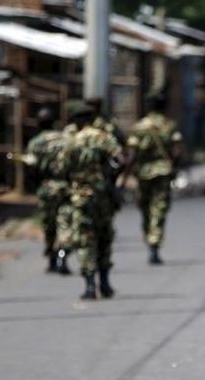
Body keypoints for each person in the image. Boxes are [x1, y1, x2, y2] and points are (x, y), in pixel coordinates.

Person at [59, 104, 123, 299]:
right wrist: (109, 180)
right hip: (102, 196)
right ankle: (105, 283)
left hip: (81, 197)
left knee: (85, 239)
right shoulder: (103, 137)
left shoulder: (72, 142)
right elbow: (120, 159)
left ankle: (89, 286)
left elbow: (62, 168)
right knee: (104, 236)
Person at [125, 92, 183, 265]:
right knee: (159, 208)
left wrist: (127, 173)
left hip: (143, 173)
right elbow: (177, 150)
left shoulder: (139, 127)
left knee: (145, 208)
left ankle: (150, 238)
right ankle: (154, 246)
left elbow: (132, 154)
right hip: (163, 173)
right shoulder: (169, 125)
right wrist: (174, 166)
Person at [26, 107, 69, 273]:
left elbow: (31, 168)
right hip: (64, 187)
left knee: (49, 224)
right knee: (64, 222)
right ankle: (62, 255)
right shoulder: (65, 139)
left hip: (46, 187)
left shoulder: (35, 143)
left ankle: (52, 258)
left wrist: (36, 186)